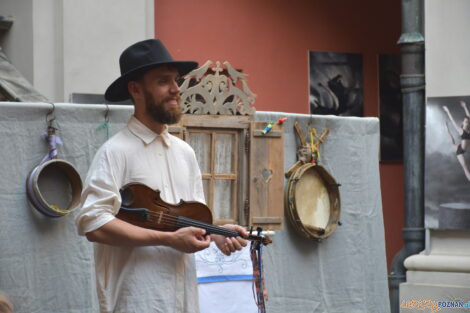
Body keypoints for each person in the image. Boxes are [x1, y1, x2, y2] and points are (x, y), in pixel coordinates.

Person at [75, 39, 248, 313]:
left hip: (184, 302)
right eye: (163, 81)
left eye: (176, 81)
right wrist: (167, 240)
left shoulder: (185, 153)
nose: (176, 89)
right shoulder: (114, 152)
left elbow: (189, 222)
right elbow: (93, 224)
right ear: (136, 89)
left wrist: (217, 235)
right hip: (136, 302)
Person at [443, 100, 470, 181]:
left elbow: (469, 117)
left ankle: (447, 129)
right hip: (460, 150)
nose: (467, 123)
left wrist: (465, 107)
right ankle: (447, 129)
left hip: (461, 147)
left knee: (453, 143)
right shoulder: (460, 130)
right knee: (465, 167)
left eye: (468, 122)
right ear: (463, 123)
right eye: (465, 122)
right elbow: (452, 120)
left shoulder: (469, 131)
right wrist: (447, 111)